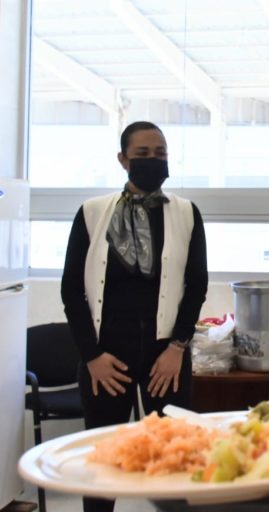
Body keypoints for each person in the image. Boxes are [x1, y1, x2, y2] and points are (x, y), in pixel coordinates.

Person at [60, 121, 208, 512]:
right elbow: (71, 290)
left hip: (167, 355)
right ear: (123, 159)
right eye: (142, 154)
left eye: (160, 154)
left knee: (173, 459)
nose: (153, 161)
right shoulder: (92, 213)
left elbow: (196, 286)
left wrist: (178, 346)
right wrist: (91, 356)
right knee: (104, 463)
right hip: (106, 356)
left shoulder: (186, 213)